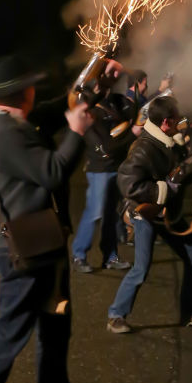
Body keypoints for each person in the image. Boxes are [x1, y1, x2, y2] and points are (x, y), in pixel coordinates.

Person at [0, 53, 121, 383]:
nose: (36, 90)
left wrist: (97, 87)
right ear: (21, 91)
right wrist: (77, 133)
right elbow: (52, 171)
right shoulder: (6, 134)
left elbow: (59, 108)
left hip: (44, 244)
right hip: (26, 250)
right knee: (11, 328)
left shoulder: (17, 121)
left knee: (56, 325)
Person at [106, 95, 192, 334]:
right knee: (141, 269)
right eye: (176, 119)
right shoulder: (144, 148)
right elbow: (128, 185)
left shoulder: (170, 142)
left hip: (168, 212)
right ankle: (116, 315)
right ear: (166, 122)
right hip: (144, 213)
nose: (181, 122)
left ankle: (190, 313)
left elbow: (180, 177)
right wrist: (161, 189)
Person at [71, 87, 134, 273]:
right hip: (99, 170)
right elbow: (106, 149)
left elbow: (133, 112)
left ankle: (110, 256)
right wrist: (132, 134)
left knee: (110, 214)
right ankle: (78, 255)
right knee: (95, 212)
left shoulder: (113, 101)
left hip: (114, 168)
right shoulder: (90, 109)